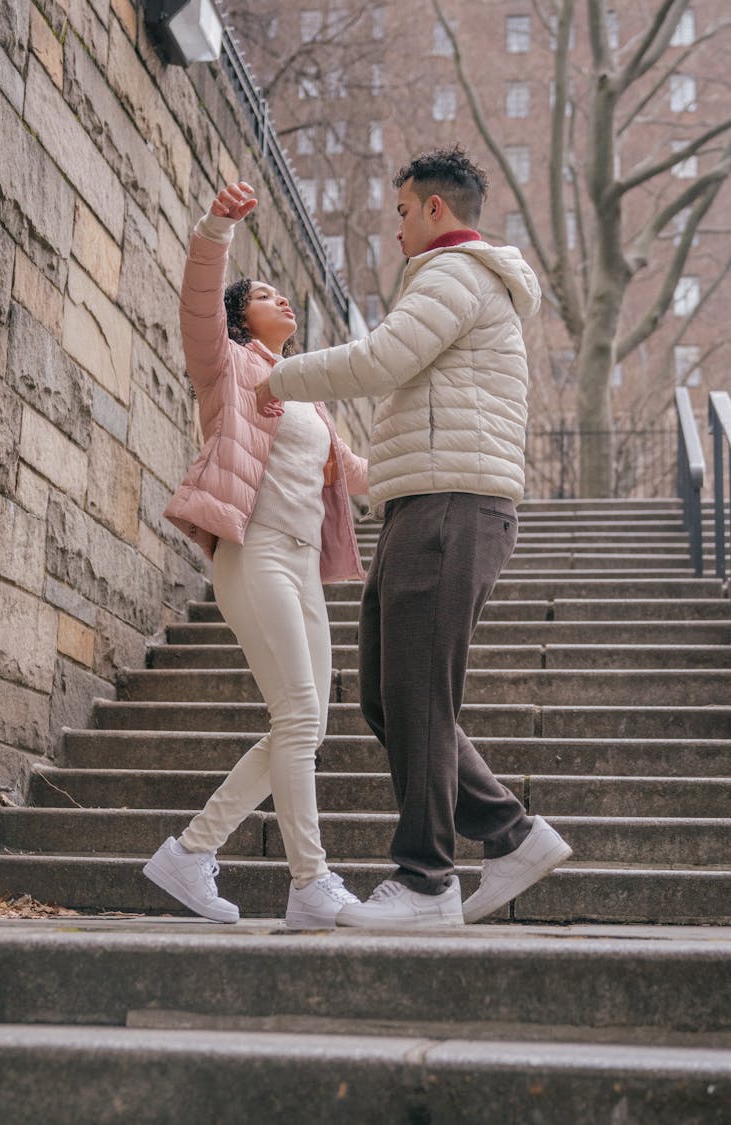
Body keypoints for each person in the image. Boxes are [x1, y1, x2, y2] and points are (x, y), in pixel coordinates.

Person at [255, 146, 572, 929]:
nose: (393, 228)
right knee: (389, 698)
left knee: (418, 698)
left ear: (435, 209)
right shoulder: (453, 280)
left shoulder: (453, 273)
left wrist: (275, 375)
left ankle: (427, 880)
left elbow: (378, 358)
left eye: (400, 212)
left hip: (450, 505)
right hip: (425, 502)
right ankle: (510, 833)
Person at [143, 181, 368, 929]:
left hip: (305, 566)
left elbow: (358, 472)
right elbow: (197, 305)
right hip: (256, 552)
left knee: (302, 726)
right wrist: (217, 228)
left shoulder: (309, 395)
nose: (285, 302)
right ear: (245, 317)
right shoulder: (230, 368)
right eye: (268, 295)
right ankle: (310, 881)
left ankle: (190, 849)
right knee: (300, 711)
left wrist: (447, 463)